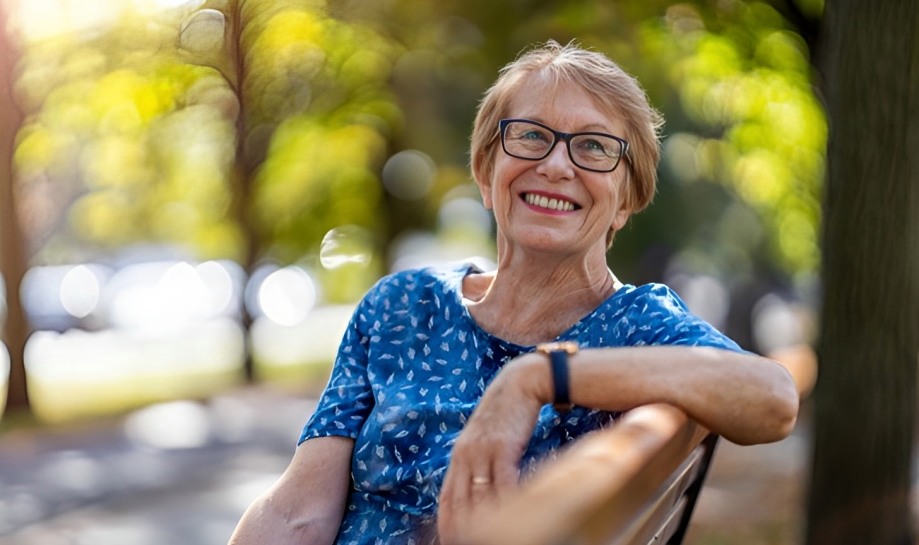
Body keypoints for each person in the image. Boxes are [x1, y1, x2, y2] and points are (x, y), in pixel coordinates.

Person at [227, 40, 799, 545]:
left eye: (595, 147)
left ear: (626, 200)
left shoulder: (635, 324)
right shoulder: (401, 305)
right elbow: (298, 513)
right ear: (484, 172)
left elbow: (773, 397)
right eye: (529, 136)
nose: (554, 165)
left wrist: (537, 379)